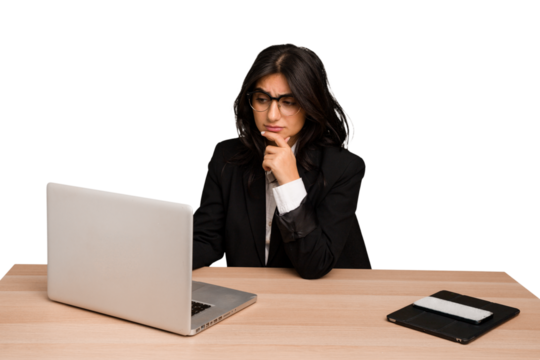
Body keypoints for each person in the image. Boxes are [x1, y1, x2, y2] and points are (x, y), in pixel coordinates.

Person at [193, 40, 371, 279]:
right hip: (255, 297)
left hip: (331, 300)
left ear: (310, 104)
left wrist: (290, 183)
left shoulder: (344, 167)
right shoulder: (226, 155)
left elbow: (315, 265)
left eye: (288, 102)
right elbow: (206, 241)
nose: (272, 115)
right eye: (262, 99)